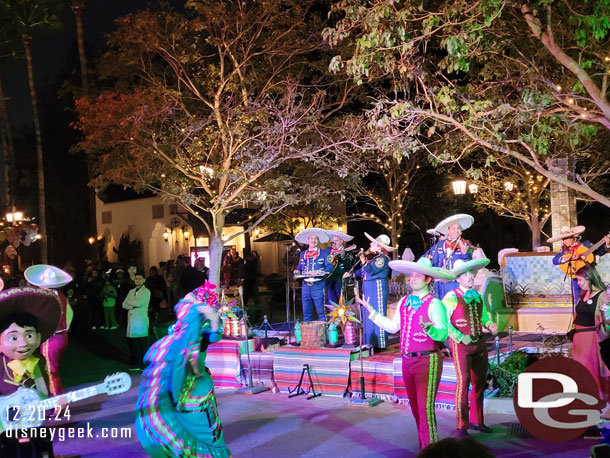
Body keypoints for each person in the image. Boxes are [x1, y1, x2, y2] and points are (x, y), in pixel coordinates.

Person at [358, 257, 453, 449]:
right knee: (417, 410)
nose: (412, 279)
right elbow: (393, 328)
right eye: (411, 275)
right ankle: (425, 446)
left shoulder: (435, 304)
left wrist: (431, 330)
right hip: (406, 361)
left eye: (418, 275)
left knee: (425, 410)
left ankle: (431, 451)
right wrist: (371, 311)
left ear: (428, 280)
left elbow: (443, 332)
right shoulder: (404, 301)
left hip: (428, 361)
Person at [135, 280, 232, 457]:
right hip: (193, 386)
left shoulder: (180, 323)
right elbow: (198, 350)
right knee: (204, 430)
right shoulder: (198, 327)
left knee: (180, 420)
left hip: (178, 377)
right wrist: (198, 372)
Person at [0, 286, 63, 457]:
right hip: (7, 431)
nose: (23, 343)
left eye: (29, 335)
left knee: (40, 449)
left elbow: (42, 391)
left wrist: (53, 403)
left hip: (34, 423)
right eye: (13, 337)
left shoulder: (38, 361)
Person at [442, 258, 497, 438]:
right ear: (458, 278)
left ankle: (477, 420)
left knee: (480, 383)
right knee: (463, 384)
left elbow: (483, 317)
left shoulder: (478, 295)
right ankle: (462, 424)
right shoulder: (451, 297)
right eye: (466, 274)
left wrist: (490, 325)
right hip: (461, 346)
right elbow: (444, 323)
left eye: (471, 274)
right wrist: (460, 337)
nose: (470, 277)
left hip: (479, 343)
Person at [24, 264, 73, 396]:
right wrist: (64, 327)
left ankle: (58, 404)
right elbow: (70, 313)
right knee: (53, 370)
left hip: (52, 338)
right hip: (62, 336)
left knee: (51, 372)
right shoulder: (60, 295)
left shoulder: (45, 298)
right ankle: (58, 399)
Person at [572, 264, 609, 411]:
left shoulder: (602, 295)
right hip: (579, 339)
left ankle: (594, 403)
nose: (579, 283)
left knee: (590, 371)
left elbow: (606, 317)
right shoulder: (583, 295)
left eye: (580, 280)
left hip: (591, 338)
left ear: (589, 278)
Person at [352, 233, 396, 348]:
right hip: (368, 288)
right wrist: (351, 273)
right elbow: (363, 271)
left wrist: (363, 260)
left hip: (377, 288)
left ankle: (380, 344)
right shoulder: (373, 258)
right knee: (368, 313)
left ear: (380, 247)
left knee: (377, 312)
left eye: (374, 242)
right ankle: (370, 342)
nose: (371, 243)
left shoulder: (383, 259)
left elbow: (371, 271)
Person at [549, 226, 610, 303]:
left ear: (573, 237)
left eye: (566, 238)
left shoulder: (586, 244)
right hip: (575, 277)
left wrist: (606, 245)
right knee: (578, 299)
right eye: (563, 239)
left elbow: (599, 252)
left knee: (592, 297)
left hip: (588, 276)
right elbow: (555, 260)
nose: (564, 241)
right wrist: (566, 259)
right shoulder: (564, 250)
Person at [425, 214, 476, 299]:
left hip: (456, 284)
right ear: (448, 231)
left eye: (458, 228)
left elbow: (469, 266)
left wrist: (464, 254)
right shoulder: (439, 245)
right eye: (453, 228)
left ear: (461, 231)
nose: (456, 230)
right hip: (440, 285)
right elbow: (433, 262)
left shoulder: (465, 245)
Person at [294, 228, 332, 322]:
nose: (313, 240)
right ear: (308, 240)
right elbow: (299, 268)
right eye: (311, 238)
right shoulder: (303, 254)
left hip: (318, 286)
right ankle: (309, 336)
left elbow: (330, 267)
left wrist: (320, 271)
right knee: (306, 314)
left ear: (318, 241)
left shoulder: (324, 253)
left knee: (321, 314)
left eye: (315, 238)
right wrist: (296, 271)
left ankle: (324, 335)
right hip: (305, 286)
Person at [123, 271, 151, 371]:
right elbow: (123, 304)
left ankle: (144, 364)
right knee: (133, 343)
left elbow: (139, 303)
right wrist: (133, 303)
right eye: (136, 278)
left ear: (144, 280)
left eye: (139, 278)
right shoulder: (131, 291)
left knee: (142, 343)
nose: (137, 280)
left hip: (140, 319)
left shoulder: (146, 291)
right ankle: (136, 363)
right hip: (132, 319)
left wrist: (130, 303)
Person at [325, 229, 356, 305]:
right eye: (333, 241)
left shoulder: (347, 252)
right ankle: (334, 316)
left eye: (336, 241)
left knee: (346, 304)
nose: (334, 243)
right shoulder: (329, 251)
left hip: (343, 281)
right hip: (331, 280)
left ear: (342, 241)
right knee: (331, 304)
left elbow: (349, 266)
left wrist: (342, 255)